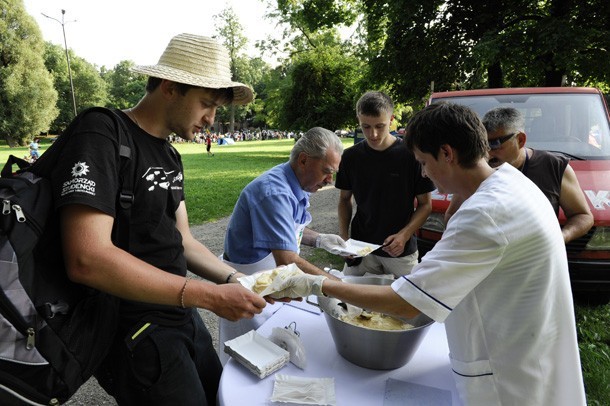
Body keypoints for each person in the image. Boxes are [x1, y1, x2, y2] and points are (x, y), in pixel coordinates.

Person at [275, 102, 587, 405]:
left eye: (424, 163)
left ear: (447, 153)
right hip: (528, 351)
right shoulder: (509, 181)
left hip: (509, 379)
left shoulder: (485, 213)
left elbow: (406, 305)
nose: (424, 174)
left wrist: (318, 284)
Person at [45, 33, 268, 405]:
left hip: (181, 315)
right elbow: (88, 258)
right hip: (136, 331)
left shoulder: (169, 156)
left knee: (224, 397)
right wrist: (208, 296)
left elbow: (184, 241)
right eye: (206, 104)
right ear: (169, 87)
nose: (211, 119)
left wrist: (243, 281)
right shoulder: (101, 132)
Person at [220, 126, 346, 364]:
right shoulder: (275, 192)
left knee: (273, 350)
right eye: (327, 171)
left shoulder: (297, 183)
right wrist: (335, 286)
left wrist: (319, 239)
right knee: (247, 359)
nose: (330, 180)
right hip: (249, 283)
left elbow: (285, 230)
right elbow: (287, 260)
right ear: (303, 160)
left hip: (269, 281)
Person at [444, 106, 593, 242]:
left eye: (495, 144)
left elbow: (583, 216)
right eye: (484, 144)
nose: (488, 153)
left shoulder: (555, 166)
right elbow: (452, 215)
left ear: (520, 140)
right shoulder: (477, 167)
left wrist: (559, 238)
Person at [335, 91, 434, 277]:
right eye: (365, 127)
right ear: (358, 120)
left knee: (404, 303)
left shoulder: (412, 155)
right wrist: (344, 237)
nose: (373, 134)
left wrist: (404, 235)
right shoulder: (349, 157)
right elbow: (344, 200)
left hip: (400, 250)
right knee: (352, 301)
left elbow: (425, 205)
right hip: (360, 248)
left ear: (391, 120)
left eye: (380, 126)